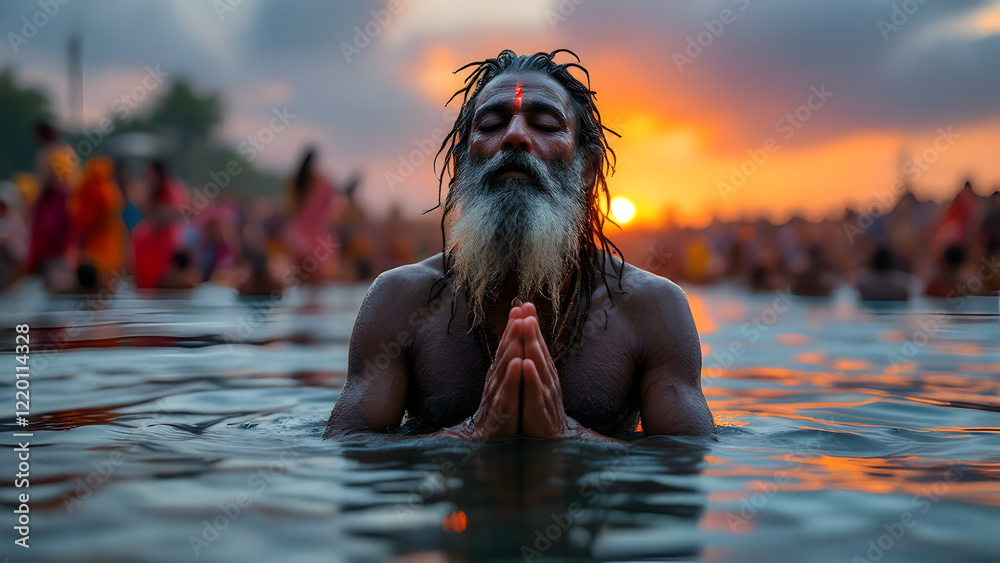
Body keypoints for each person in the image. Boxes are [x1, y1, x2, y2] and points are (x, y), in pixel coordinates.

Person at [325, 50, 714, 442]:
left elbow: (688, 461)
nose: (514, 136)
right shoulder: (400, 300)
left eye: (545, 124)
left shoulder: (653, 309)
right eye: (491, 124)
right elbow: (349, 449)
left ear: (588, 169)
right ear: (462, 166)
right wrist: (471, 434)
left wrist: (569, 437)